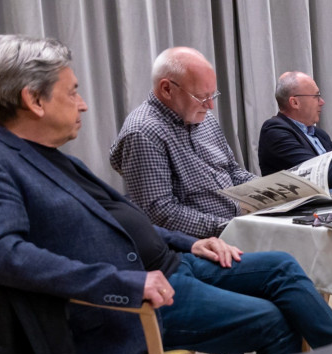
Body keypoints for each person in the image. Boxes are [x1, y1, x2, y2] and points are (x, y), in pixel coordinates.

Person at [0, 35, 332, 354]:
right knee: (272, 318)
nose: (83, 105)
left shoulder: (54, 158)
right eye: (72, 93)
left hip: (176, 260)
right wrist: (124, 283)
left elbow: (124, 221)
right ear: (34, 100)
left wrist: (192, 244)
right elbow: (1, 254)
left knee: (282, 266)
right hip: (136, 295)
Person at [110, 47, 256, 238]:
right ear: (167, 89)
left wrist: (276, 190)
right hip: (202, 242)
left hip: (238, 224)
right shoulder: (143, 133)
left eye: (213, 95)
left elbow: (232, 172)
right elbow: (161, 213)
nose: (210, 105)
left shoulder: (204, 118)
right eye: (201, 96)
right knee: (283, 255)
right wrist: (231, 228)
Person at [258, 71, 332, 189]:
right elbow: (321, 175)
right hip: (317, 201)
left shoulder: (318, 133)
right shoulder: (275, 131)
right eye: (316, 96)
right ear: (295, 102)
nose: (322, 102)